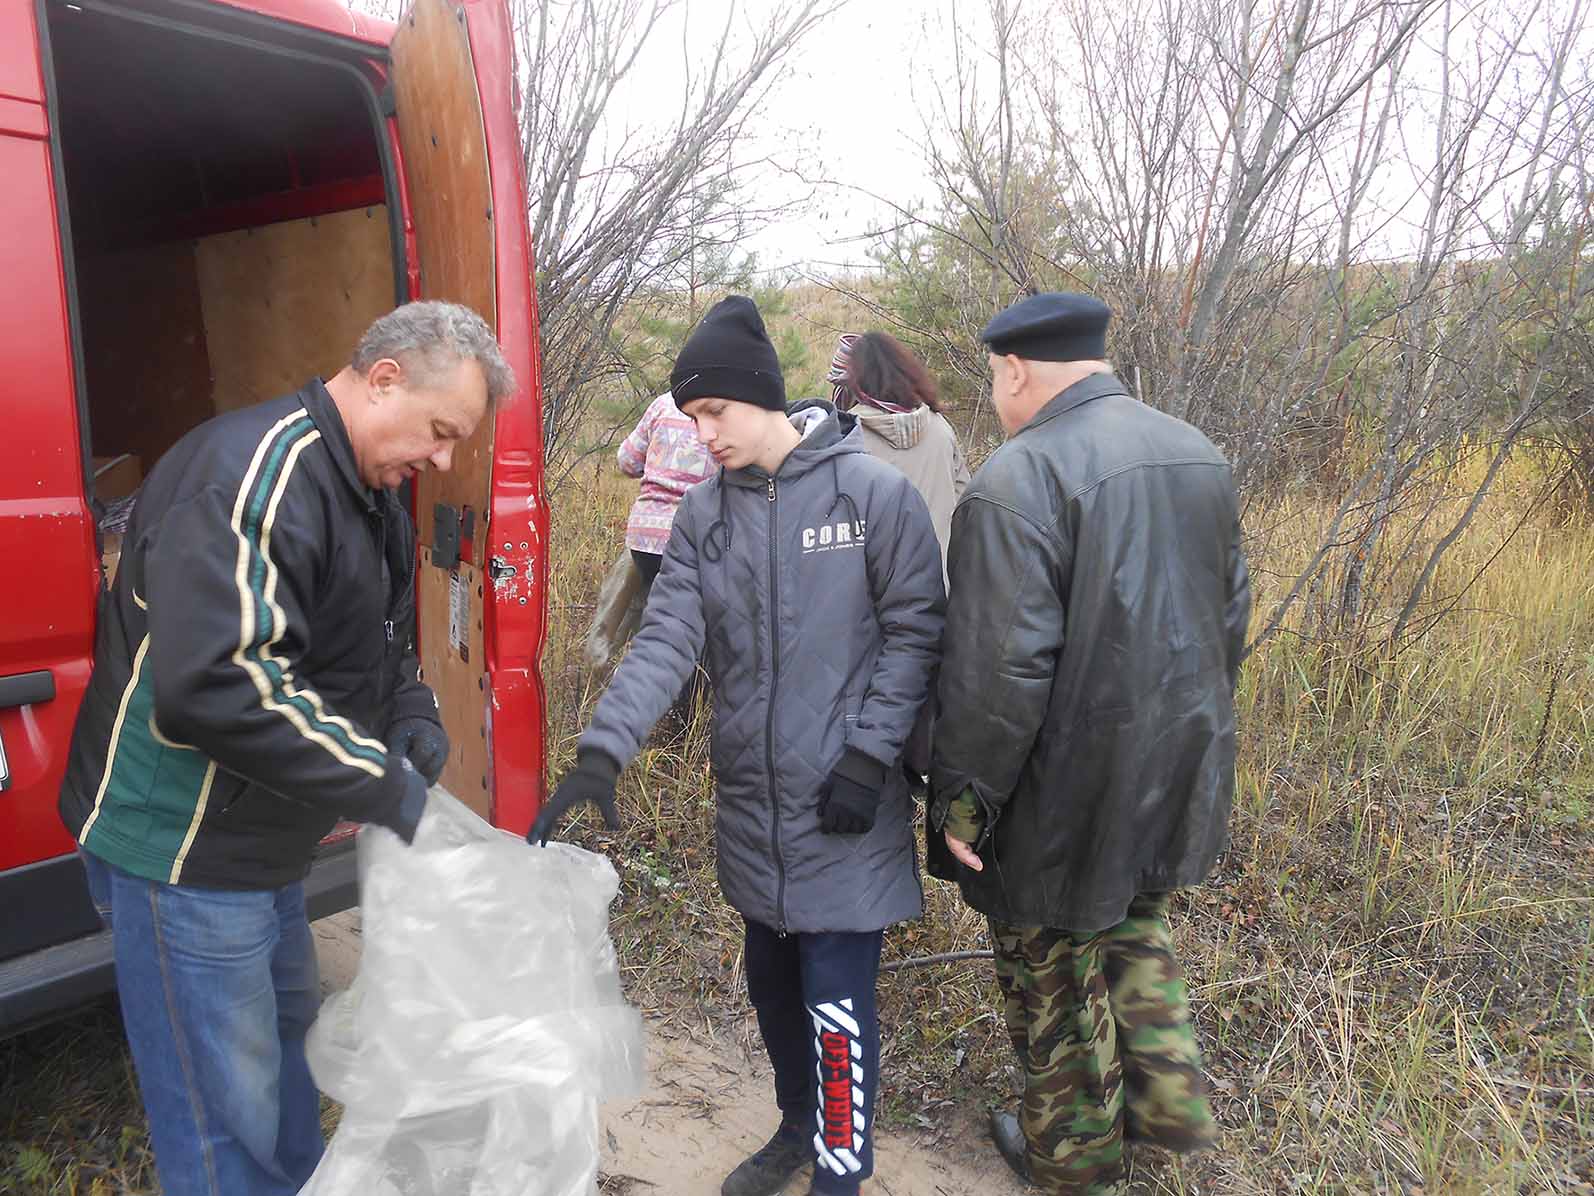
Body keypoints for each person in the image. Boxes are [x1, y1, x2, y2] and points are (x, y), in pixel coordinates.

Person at [58, 301, 516, 1196]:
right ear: (384, 379)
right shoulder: (252, 477)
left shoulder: (367, 493)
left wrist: (412, 712)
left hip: (262, 848)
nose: (445, 459)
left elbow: (373, 647)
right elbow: (218, 686)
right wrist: (381, 782)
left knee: (288, 1069)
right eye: (441, 431)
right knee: (224, 1116)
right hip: (183, 853)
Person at [529, 295, 946, 1196]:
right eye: (688, 417)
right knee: (772, 985)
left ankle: (842, 1169)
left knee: (836, 1004)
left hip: (844, 804)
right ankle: (798, 1129)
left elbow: (918, 633)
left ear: (760, 396)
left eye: (712, 412)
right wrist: (603, 750)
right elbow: (666, 641)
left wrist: (871, 755)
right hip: (754, 810)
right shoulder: (702, 518)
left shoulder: (870, 495)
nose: (702, 433)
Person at [928, 293, 1251, 1195]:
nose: (996, 395)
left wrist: (962, 803)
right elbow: (1228, 622)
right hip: (1173, 760)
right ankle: (1164, 1111)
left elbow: (995, 679)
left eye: (994, 377)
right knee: (1134, 924)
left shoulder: (1016, 480)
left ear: (1017, 369)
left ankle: (1072, 1159)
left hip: (1062, 790)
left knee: (1051, 973)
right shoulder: (1198, 453)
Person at [827, 331, 970, 579]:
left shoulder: (845, 438)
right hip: (941, 589)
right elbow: (965, 507)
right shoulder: (940, 429)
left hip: (873, 601)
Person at [616, 390, 715, 585]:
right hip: (695, 538)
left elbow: (627, 461)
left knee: (653, 601)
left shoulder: (662, 403)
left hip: (644, 536)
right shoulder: (725, 409)